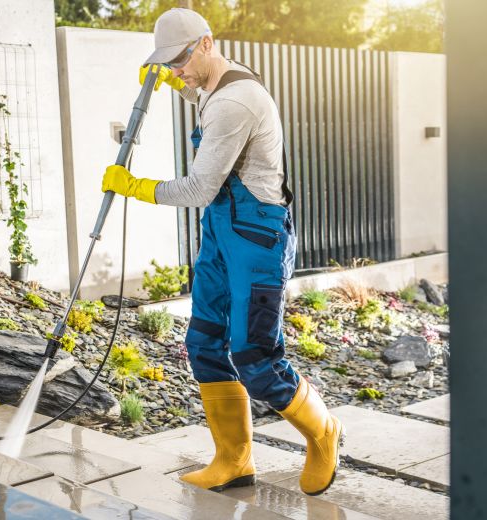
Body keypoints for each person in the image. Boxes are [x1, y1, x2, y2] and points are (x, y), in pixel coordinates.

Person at [101, 7, 344, 496]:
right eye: (168, 64)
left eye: (181, 60)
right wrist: (181, 87)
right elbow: (204, 96)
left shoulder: (237, 101)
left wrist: (135, 187)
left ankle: (323, 433)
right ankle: (233, 460)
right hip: (221, 237)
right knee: (205, 342)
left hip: (257, 240)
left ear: (206, 43)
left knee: (254, 355)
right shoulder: (216, 87)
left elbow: (198, 189)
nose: (176, 70)